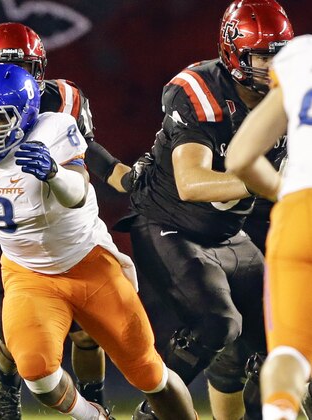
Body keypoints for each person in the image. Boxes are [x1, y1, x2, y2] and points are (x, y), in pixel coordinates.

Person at [0, 62, 197, 420]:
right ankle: (94, 417)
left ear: (25, 116)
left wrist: (53, 173)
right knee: (36, 372)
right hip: (27, 273)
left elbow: (76, 191)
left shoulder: (54, 129)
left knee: (149, 372)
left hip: (87, 264)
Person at [113, 1, 294, 419]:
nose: (272, 66)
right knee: (218, 324)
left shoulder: (292, 96)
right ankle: (151, 412)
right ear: (234, 53)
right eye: (262, 56)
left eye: (279, 55)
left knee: (285, 338)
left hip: (229, 231)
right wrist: (273, 182)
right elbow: (191, 183)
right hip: (169, 224)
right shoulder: (200, 89)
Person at [0, 22, 136, 418]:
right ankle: (7, 386)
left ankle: (96, 403)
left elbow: (88, 155)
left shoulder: (64, 98)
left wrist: (129, 178)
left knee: (89, 332)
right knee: (14, 337)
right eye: (1, 66)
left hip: (55, 219)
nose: (12, 75)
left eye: (22, 66)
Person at [226, 34, 312, 420]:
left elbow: (241, 157)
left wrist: (284, 191)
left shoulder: (302, 56)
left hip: (300, 210)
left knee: (290, 353)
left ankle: (280, 412)